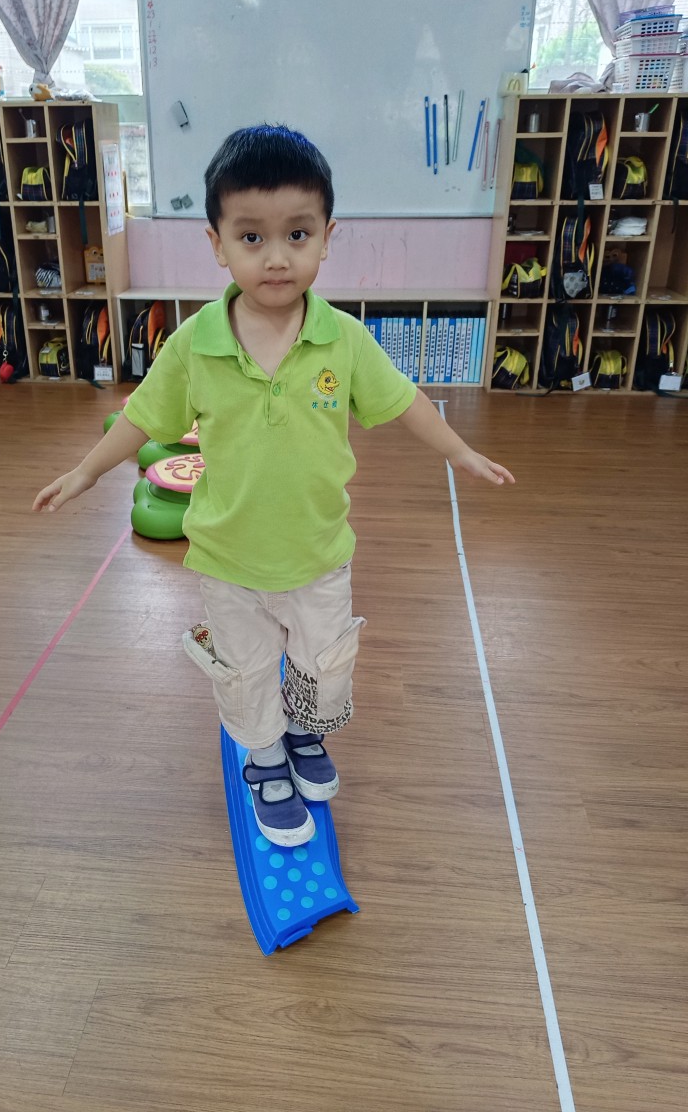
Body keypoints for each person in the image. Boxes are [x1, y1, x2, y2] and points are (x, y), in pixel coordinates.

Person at [33, 124, 514, 847]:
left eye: (297, 233)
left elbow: (404, 400)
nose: (277, 256)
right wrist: (86, 470)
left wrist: (460, 452)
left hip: (318, 554)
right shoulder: (194, 344)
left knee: (323, 668)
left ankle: (302, 732)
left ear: (326, 237)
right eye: (252, 237)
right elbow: (141, 418)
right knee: (248, 671)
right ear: (217, 244)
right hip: (230, 558)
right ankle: (264, 758)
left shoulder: (344, 339)